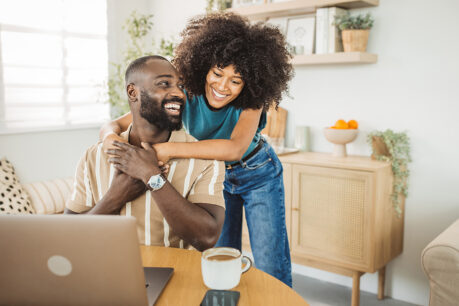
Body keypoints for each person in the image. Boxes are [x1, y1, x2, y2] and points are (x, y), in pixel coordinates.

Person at [100, 13, 294, 286]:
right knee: (219, 257)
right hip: (214, 177)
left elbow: (236, 148)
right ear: (204, 66)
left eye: (236, 80)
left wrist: (167, 150)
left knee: (271, 260)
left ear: (249, 84)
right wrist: (109, 138)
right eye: (217, 73)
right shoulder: (184, 91)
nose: (223, 86)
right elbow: (113, 124)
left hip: (257, 173)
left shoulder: (254, 99)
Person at [65, 55, 226, 252]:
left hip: (177, 278)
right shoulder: (93, 156)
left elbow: (207, 237)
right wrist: (115, 197)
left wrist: (152, 177)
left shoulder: (205, 161)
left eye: (180, 85)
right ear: (133, 92)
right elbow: (69, 235)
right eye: (164, 84)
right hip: (106, 276)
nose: (179, 93)